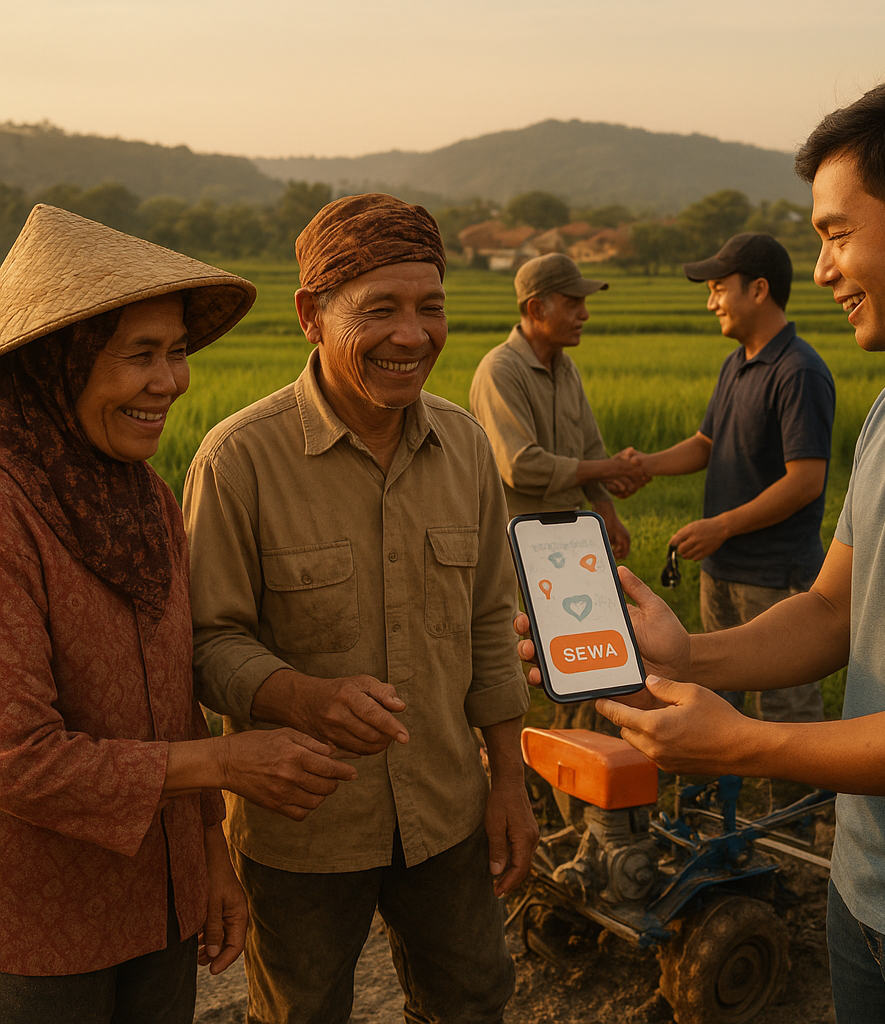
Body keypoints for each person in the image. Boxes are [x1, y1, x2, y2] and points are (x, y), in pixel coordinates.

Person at [519, 77, 885, 1022]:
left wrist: (744, 742)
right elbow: (835, 608)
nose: (823, 268)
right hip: (865, 896)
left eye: (837, 233)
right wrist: (685, 656)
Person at [184, 193, 537, 1024]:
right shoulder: (239, 461)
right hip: (302, 831)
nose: (412, 336)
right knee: (300, 1012)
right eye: (379, 309)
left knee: (473, 1000)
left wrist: (509, 781)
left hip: (447, 808)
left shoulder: (465, 449)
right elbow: (203, 642)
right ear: (312, 314)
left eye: (430, 307)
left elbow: (490, 619)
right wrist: (297, 696)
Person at [0, 205, 353, 1024]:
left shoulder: (145, 498)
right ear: (62, 363)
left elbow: (171, 696)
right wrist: (226, 768)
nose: (171, 381)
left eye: (178, 353)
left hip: (157, 900)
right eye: (141, 356)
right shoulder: (10, 508)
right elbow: (18, 757)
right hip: (37, 919)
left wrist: (208, 859)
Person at [627, 233, 834, 722]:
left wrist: (720, 526)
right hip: (723, 571)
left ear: (759, 290)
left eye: (720, 288)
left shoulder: (797, 370)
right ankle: (727, 797)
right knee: (718, 697)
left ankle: (797, 799)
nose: (711, 302)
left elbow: (805, 480)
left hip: (775, 579)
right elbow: (707, 444)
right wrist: (644, 465)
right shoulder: (737, 365)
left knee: (784, 707)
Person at [469, 252, 647, 562]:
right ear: (536, 309)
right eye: (573, 304)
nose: (585, 315)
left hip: (569, 534)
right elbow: (520, 466)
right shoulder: (500, 370)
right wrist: (610, 468)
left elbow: (590, 447)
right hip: (516, 541)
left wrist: (605, 508)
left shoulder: (565, 368)